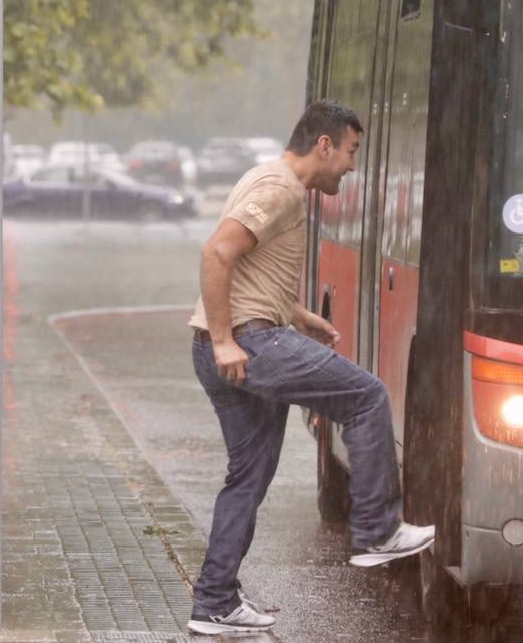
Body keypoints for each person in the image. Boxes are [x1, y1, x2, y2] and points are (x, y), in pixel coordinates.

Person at [186, 100, 434, 635]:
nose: (351, 165)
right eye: (350, 152)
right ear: (324, 145)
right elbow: (216, 255)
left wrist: (298, 316)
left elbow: (251, 270)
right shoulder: (280, 189)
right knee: (367, 397)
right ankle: (376, 530)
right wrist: (229, 339)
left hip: (228, 344)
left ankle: (214, 603)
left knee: (247, 479)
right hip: (249, 344)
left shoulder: (267, 178)